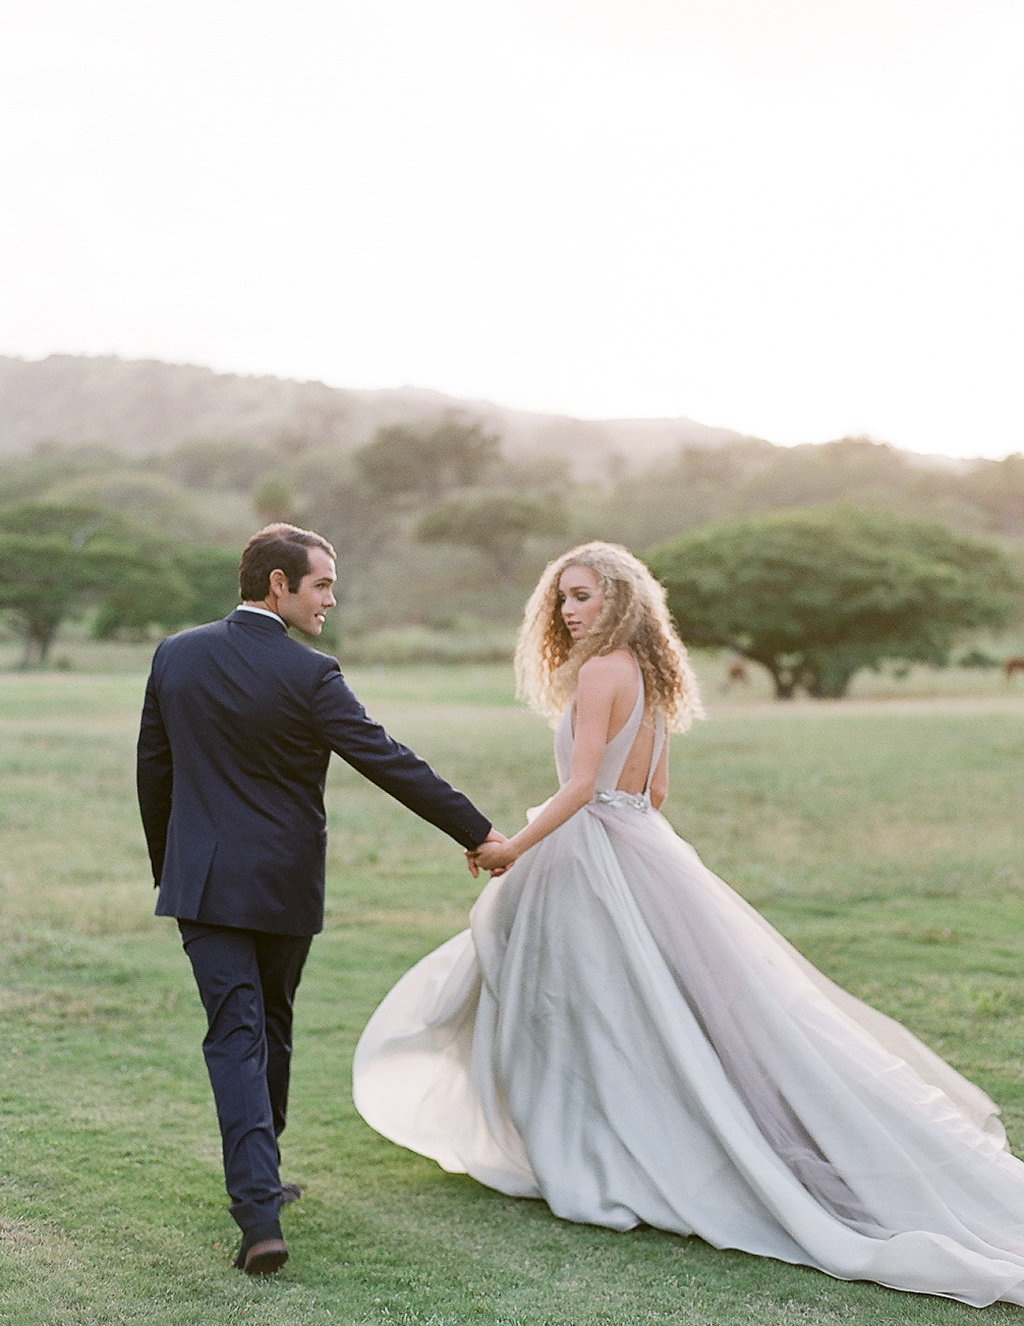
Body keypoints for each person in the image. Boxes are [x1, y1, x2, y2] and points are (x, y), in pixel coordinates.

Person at [354, 540, 1024, 1309]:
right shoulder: (651, 674)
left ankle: (599, 1154)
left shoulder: (604, 672)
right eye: (562, 599)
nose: (569, 612)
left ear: (622, 601)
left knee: (579, 1006)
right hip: (642, 845)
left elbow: (578, 787)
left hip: (592, 850)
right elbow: (656, 791)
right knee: (642, 1007)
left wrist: (511, 847)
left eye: (584, 597)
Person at [136, 522, 502, 1275]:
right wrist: (478, 832)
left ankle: (260, 1195)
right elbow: (387, 760)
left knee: (241, 1031)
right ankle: (259, 1205)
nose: (331, 599)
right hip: (281, 884)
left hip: (201, 883)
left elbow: (155, 772)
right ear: (279, 584)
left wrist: (168, 868)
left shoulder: (176, 654)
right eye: (323, 584)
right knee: (265, 1026)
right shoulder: (311, 675)